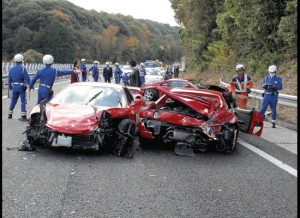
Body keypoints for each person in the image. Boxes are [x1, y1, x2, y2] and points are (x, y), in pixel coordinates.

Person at [8, 53, 31, 121]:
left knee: (13, 100)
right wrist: (31, 85)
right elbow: (27, 79)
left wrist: (10, 87)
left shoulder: (11, 69)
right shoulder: (23, 69)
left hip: (14, 86)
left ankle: (10, 114)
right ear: (21, 60)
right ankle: (23, 116)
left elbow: (9, 79)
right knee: (23, 101)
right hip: (21, 87)